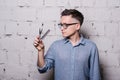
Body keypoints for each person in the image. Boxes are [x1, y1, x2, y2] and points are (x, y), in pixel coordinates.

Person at [33, 9, 101, 80]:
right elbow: (42, 69)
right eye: (61, 25)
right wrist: (40, 51)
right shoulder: (56, 46)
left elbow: (95, 76)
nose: (62, 28)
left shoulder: (91, 47)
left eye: (65, 25)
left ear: (77, 26)